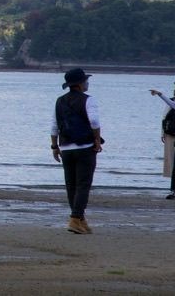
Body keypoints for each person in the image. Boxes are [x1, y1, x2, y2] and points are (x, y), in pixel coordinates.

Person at [53, 67, 103, 234]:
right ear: (81, 84)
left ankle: (80, 219)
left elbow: (54, 126)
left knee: (71, 184)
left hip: (65, 147)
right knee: (83, 184)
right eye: (86, 81)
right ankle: (75, 219)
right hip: (84, 147)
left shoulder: (59, 101)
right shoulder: (88, 100)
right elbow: (94, 121)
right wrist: (97, 139)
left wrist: (54, 146)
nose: (87, 83)